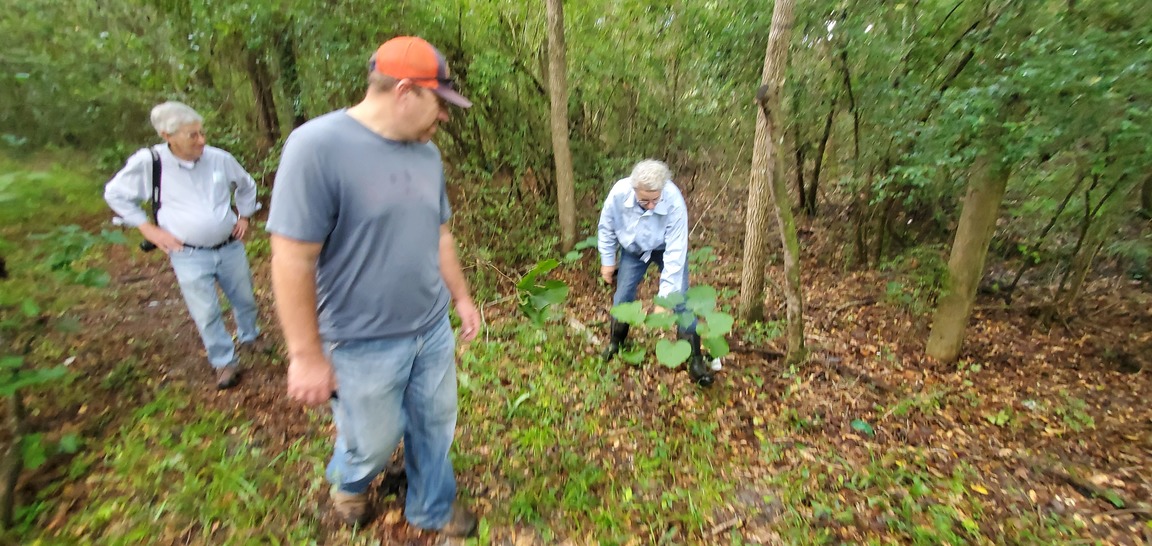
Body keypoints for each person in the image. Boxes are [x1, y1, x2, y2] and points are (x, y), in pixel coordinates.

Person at [266, 36, 480, 537]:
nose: (444, 118)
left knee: (435, 424)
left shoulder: (428, 157)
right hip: (359, 341)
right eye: (439, 104)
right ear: (405, 91)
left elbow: (441, 233)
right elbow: (292, 258)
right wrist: (305, 354)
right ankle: (350, 478)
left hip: (429, 329)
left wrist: (462, 298)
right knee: (373, 442)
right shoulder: (317, 147)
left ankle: (431, 506)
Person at [104, 101, 261, 390]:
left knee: (245, 298)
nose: (201, 140)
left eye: (202, 132)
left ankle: (250, 336)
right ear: (167, 135)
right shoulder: (149, 163)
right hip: (187, 253)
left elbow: (247, 184)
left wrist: (245, 216)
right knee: (206, 311)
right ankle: (224, 360)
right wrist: (147, 228)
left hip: (229, 247)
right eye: (192, 135)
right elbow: (115, 194)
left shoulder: (219, 159)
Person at [597, 159, 715, 387]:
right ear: (634, 189)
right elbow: (606, 226)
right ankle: (616, 342)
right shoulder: (619, 194)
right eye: (644, 200)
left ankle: (695, 359)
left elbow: (676, 251)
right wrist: (608, 260)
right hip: (633, 251)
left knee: (680, 299)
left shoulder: (674, 201)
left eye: (655, 200)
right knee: (622, 297)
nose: (650, 205)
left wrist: (665, 299)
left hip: (664, 250)